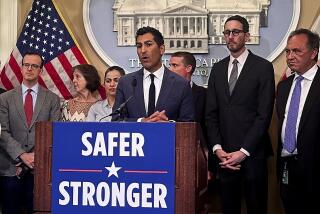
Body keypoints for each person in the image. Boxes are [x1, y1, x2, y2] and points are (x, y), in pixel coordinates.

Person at [205, 15, 275, 214]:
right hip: (225, 157)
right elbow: (210, 114)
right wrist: (218, 149)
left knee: (256, 208)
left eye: (236, 32)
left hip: (252, 155)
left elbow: (264, 115)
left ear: (247, 35)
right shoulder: (217, 69)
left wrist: (243, 152)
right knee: (228, 208)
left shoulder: (263, 67)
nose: (230, 37)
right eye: (227, 32)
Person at [0, 52, 61, 214]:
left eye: (34, 66)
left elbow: (53, 132)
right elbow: (3, 132)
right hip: (10, 169)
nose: (30, 69)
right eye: (26, 65)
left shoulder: (53, 99)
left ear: (40, 71)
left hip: (40, 169)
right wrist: (22, 155)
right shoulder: (4, 99)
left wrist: (34, 157)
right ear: (21, 68)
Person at [275, 29, 320, 213]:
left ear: (313, 53)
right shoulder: (284, 86)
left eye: (297, 51)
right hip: (287, 168)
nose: (290, 56)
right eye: (288, 51)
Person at [113, 26, 194, 122]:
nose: (143, 50)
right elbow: (116, 119)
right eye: (139, 46)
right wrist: (141, 121)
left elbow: (188, 124)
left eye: (148, 44)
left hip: (167, 136)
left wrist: (169, 125)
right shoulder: (126, 82)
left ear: (161, 49)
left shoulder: (181, 84)